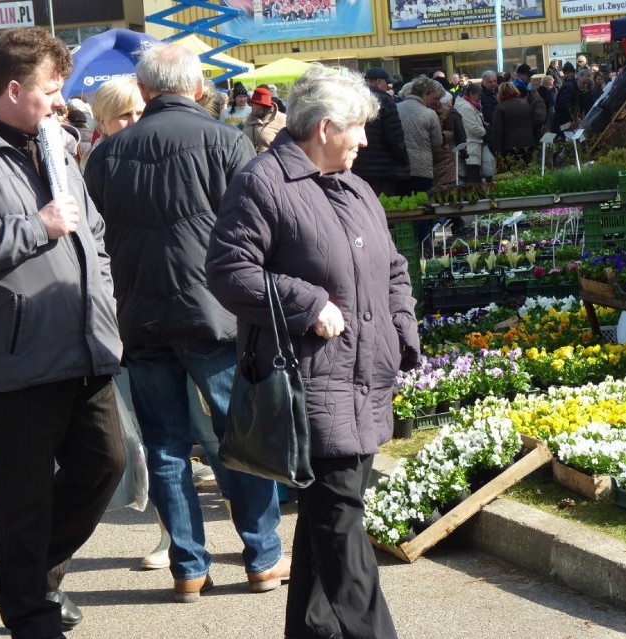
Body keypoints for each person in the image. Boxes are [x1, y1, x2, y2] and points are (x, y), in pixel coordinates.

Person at [205, 63, 420, 639]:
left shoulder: (355, 185)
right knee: (341, 517)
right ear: (325, 127)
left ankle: (310, 630)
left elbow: (393, 265)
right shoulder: (263, 183)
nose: (366, 140)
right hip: (310, 382)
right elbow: (228, 272)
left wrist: (402, 328)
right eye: (358, 128)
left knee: (327, 519)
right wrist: (305, 302)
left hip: (366, 376)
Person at [84, 42, 287, 603]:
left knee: (166, 445)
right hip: (214, 316)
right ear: (197, 88)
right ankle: (263, 556)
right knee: (238, 437)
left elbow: (95, 240)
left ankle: (189, 567)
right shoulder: (226, 140)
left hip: (141, 317)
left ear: (145, 93)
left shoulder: (107, 154)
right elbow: (260, 229)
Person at [0, 27, 126, 638]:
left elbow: (93, 231)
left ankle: (32, 579)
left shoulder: (54, 140)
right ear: (16, 87)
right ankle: (30, 614)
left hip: (85, 341)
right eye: (52, 91)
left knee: (107, 462)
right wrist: (37, 225)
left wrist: (100, 290)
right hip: (15, 353)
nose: (60, 103)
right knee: (23, 498)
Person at [351, 66, 410, 197]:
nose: (389, 87)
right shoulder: (385, 101)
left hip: (357, 167)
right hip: (382, 171)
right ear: (378, 82)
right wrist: (404, 161)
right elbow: (395, 139)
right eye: (387, 83)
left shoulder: (352, 100)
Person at [80, 77, 145, 172]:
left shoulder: (157, 150)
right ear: (102, 122)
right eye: (125, 115)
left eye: (140, 113)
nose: (135, 121)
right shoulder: (95, 164)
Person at [396, 75, 443, 195]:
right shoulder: (430, 114)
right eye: (436, 98)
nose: (437, 103)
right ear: (426, 94)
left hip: (399, 169)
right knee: (423, 208)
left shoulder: (395, 108)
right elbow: (437, 142)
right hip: (422, 170)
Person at [492, 81, 546, 168]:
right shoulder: (524, 103)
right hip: (527, 142)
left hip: (509, 145)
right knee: (527, 168)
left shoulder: (500, 108)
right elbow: (532, 120)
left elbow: (497, 130)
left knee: (512, 170)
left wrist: (497, 148)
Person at [455, 82, 488, 183]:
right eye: (478, 95)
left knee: (473, 176)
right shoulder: (466, 107)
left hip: (472, 146)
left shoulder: (469, 105)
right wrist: (485, 131)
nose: (479, 98)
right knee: (473, 178)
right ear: (471, 94)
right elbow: (473, 127)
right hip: (471, 146)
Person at [243, 86, 287, 154]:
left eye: (254, 103)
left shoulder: (282, 119)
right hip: (250, 162)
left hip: (272, 162)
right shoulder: (250, 117)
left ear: (262, 106)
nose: (251, 106)